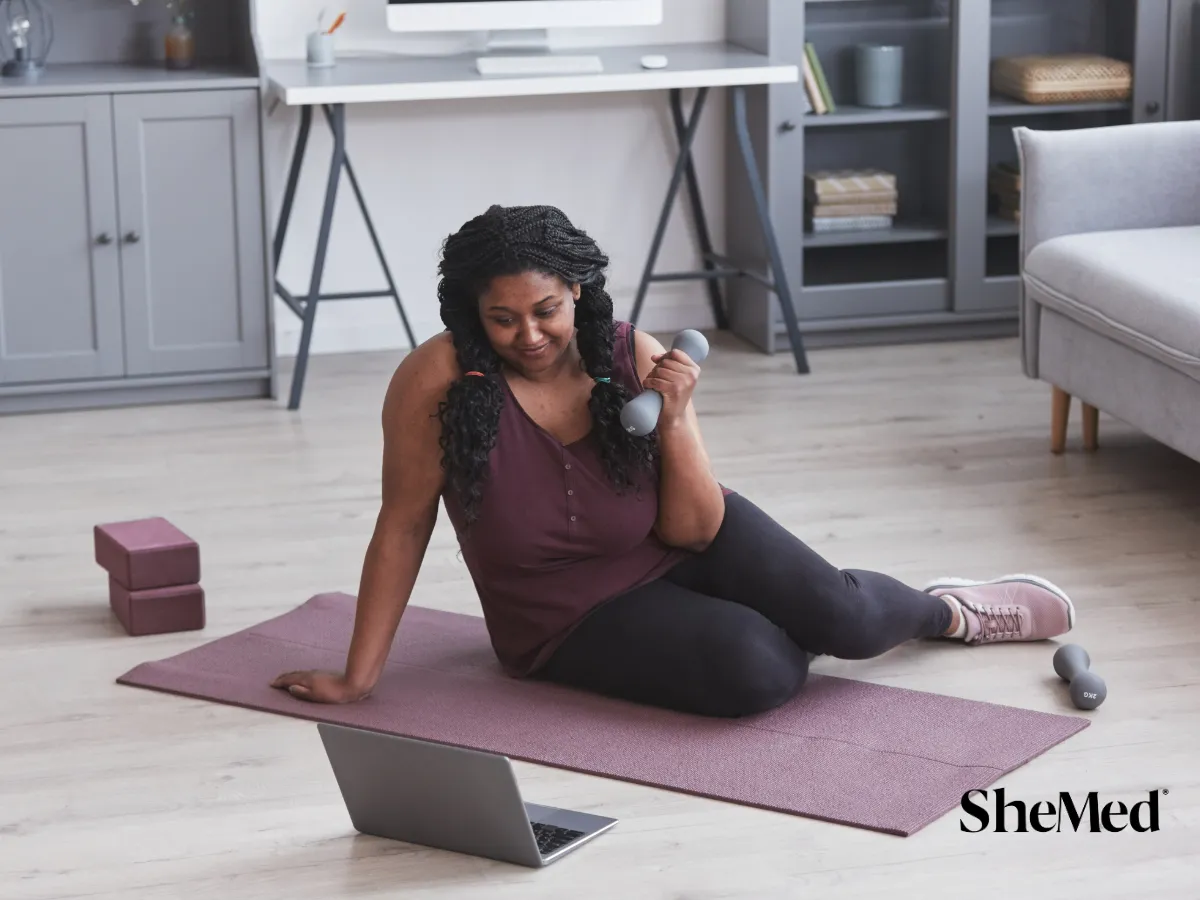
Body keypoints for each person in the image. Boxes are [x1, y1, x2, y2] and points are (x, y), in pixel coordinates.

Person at [270, 204, 1075, 718]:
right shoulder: (436, 381)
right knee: (759, 672)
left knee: (852, 623)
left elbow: (693, 527)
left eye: (545, 310)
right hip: (567, 612)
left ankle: (950, 613)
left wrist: (678, 418)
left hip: (678, 538)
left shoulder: (631, 355)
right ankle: (776, 623)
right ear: (473, 315)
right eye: (502, 319)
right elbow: (403, 525)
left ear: (576, 291)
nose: (529, 335)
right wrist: (358, 677)